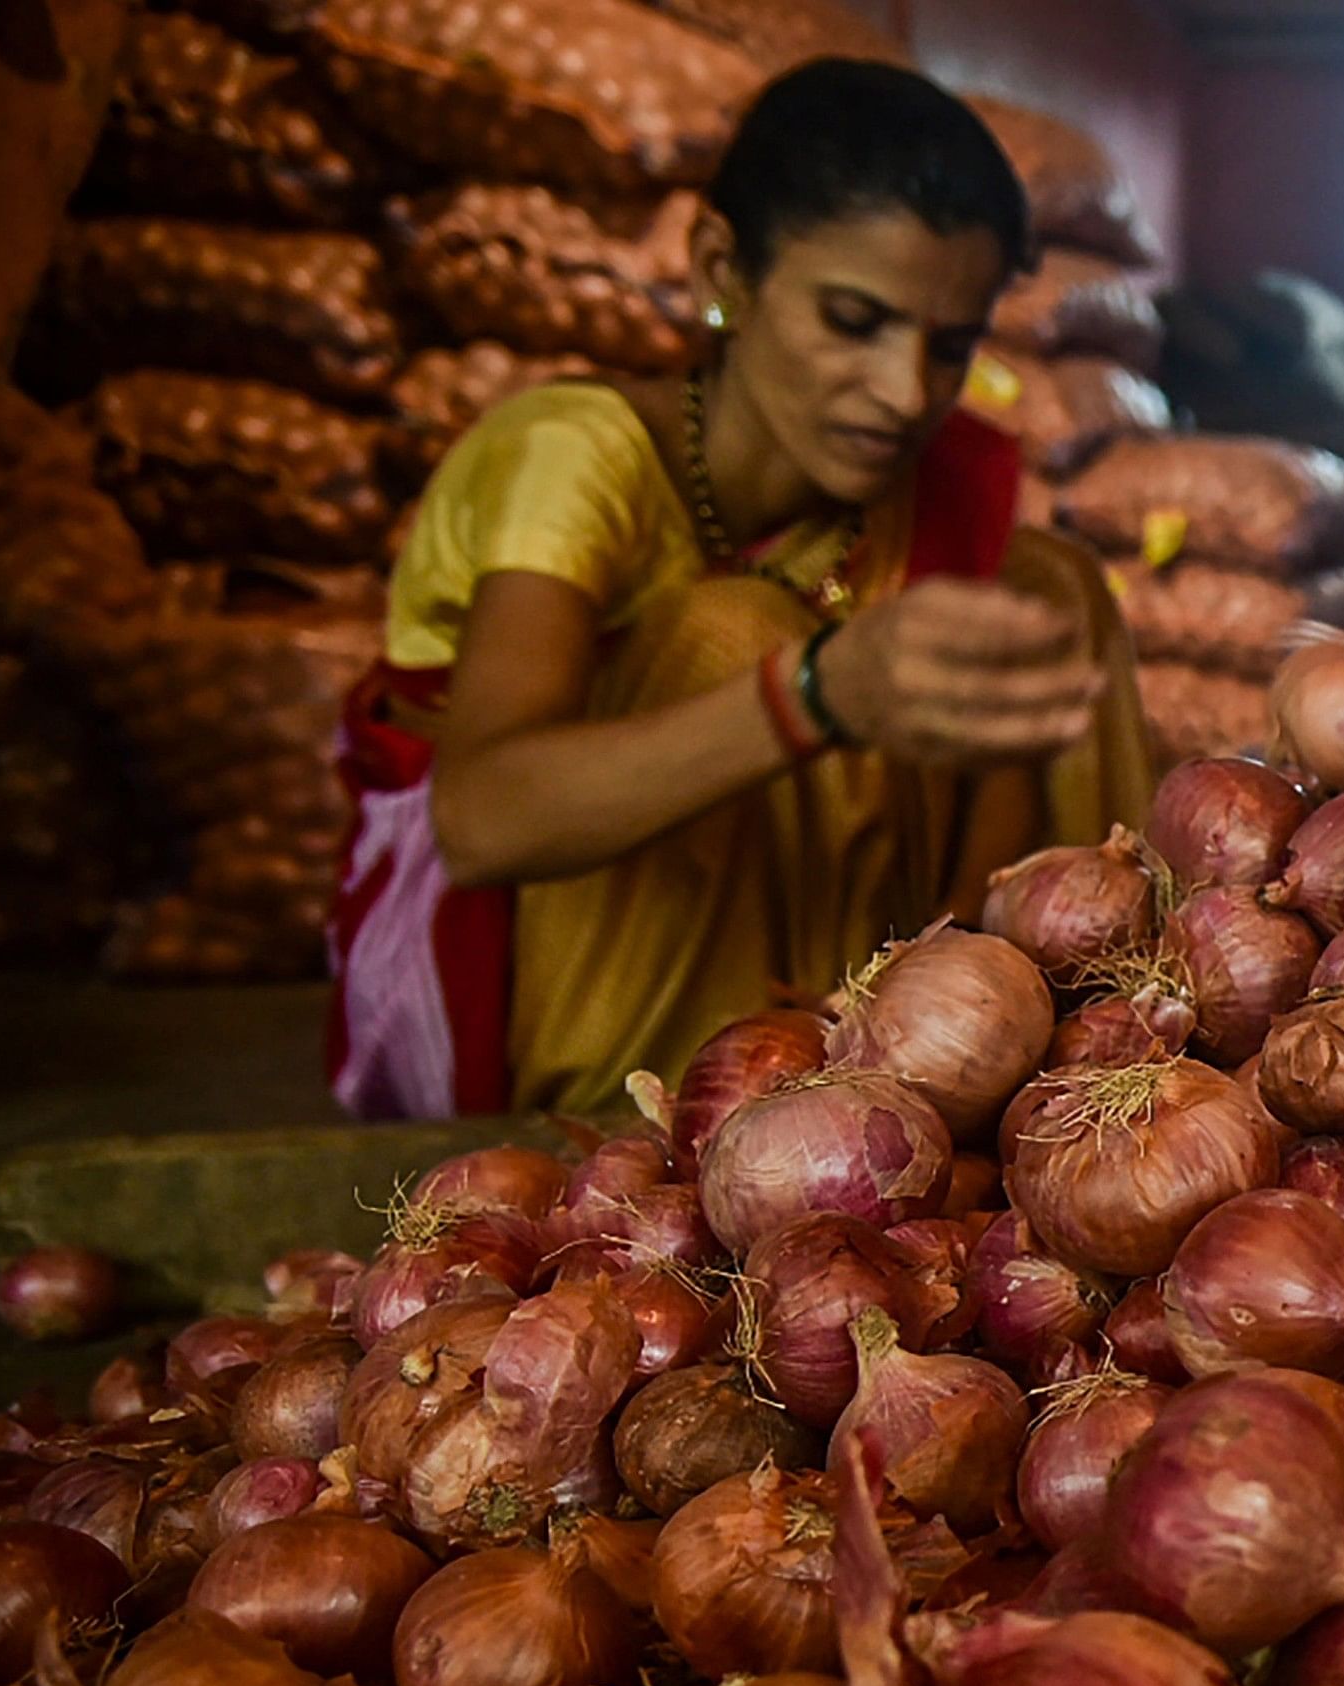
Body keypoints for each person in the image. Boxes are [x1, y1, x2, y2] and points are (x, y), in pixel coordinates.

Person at [326, 58, 1149, 1119]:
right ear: (722, 268)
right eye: (853, 322)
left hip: (853, 1000)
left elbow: (977, 879)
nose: (903, 393)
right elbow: (482, 821)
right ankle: (702, 1137)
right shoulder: (575, 454)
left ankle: (1090, 1098)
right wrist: (814, 693)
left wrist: (966, 1020)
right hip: (529, 998)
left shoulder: (925, 501)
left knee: (1053, 592)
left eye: (947, 347)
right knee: (733, 631)